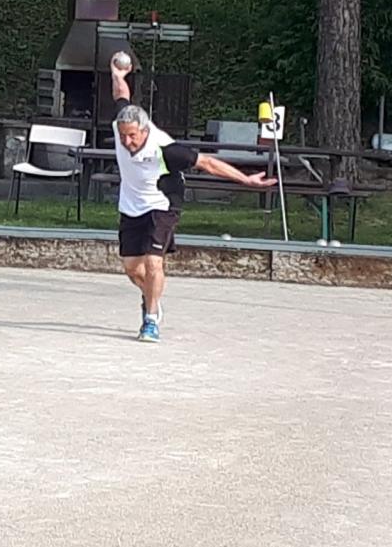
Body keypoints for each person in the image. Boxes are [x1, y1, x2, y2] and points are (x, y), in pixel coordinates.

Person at [110, 53, 276, 343]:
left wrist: (246, 180)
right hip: (131, 205)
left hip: (163, 203)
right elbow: (122, 96)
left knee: (153, 262)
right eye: (123, 136)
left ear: (145, 130)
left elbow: (208, 163)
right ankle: (151, 297)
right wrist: (118, 75)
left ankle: (150, 320)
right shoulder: (121, 125)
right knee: (132, 268)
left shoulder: (165, 149)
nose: (127, 142)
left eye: (132, 136)